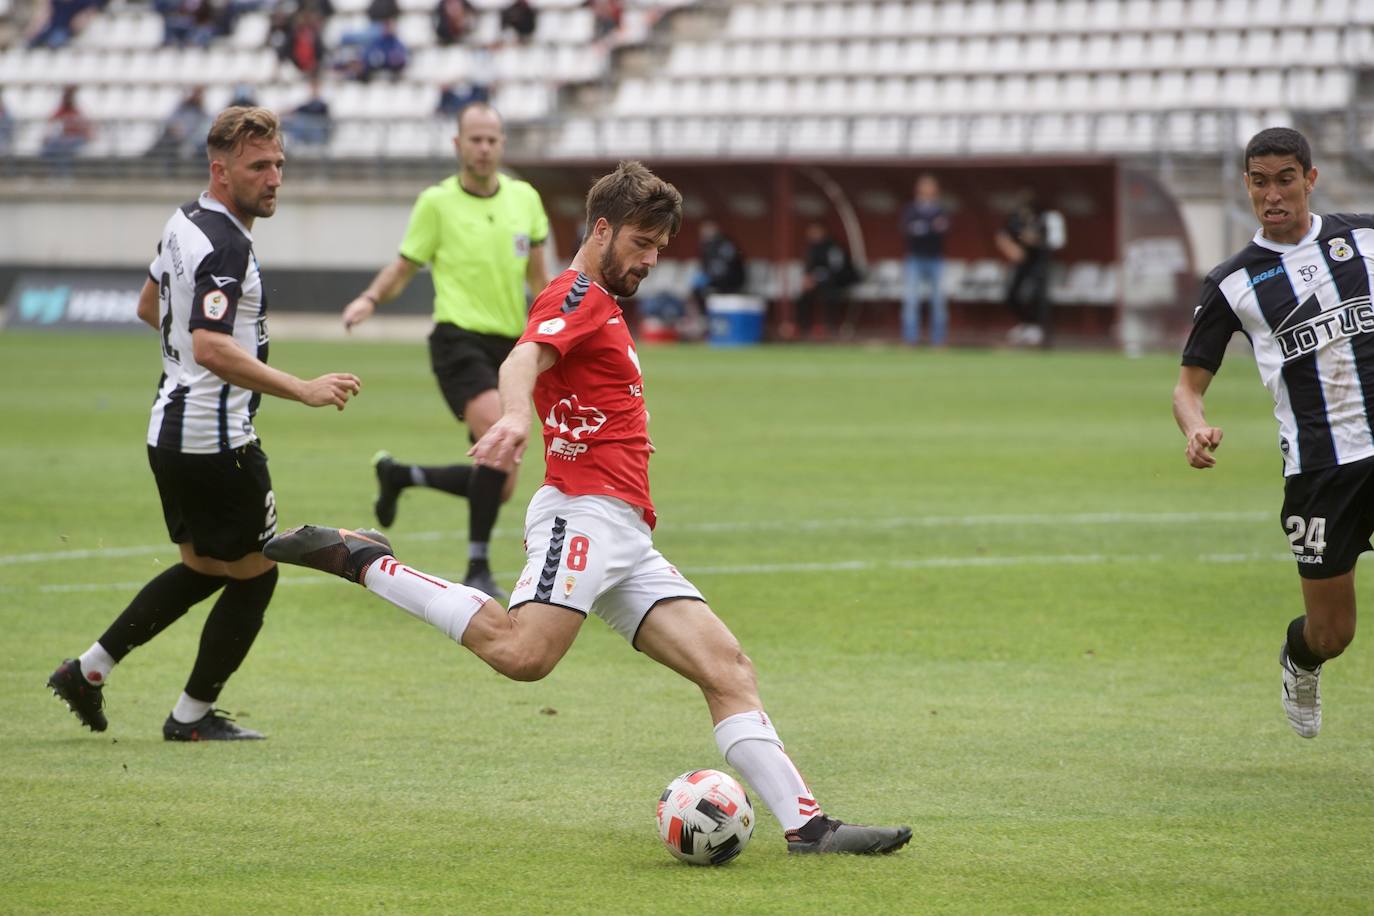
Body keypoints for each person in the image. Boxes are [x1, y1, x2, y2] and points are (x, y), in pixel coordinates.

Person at [264, 161, 912, 855]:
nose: (651, 259)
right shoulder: (578, 294)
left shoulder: (596, 298)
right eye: (641, 242)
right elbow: (521, 361)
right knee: (522, 655)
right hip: (582, 513)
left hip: (625, 531)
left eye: (660, 247)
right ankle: (366, 559)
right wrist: (515, 418)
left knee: (728, 668)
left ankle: (808, 828)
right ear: (601, 229)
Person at [46, 107, 362, 741]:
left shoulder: (181, 222)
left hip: (169, 430)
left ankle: (89, 670)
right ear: (221, 171)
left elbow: (148, 306)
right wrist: (300, 388)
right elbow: (213, 346)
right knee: (256, 577)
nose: (274, 178)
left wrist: (188, 364)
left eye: (278, 165)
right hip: (218, 445)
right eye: (258, 167)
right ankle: (190, 717)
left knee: (203, 568)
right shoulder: (226, 244)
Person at [1173, 126, 1374, 740]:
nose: (1273, 194)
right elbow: (1188, 387)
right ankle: (1301, 660)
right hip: (1319, 468)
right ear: (1247, 187)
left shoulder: (1364, 237)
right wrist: (1197, 426)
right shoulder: (1233, 283)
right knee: (1332, 633)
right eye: (1260, 182)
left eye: (1286, 179)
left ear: (1310, 179)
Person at [339, 102, 549, 599]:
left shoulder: (526, 199)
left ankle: (400, 476)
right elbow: (404, 267)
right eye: (474, 139)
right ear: (458, 145)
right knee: (502, 434)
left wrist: (551, 338)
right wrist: (370, 297)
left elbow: (541, 280)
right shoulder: (436, 202)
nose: (484, 148)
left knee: (499, 483)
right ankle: (477, 566)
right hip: (457, 340)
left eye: (492, 139)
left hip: (510, 344)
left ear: (502, 144)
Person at [995, 192, 1053, 347]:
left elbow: (1042, 239)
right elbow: (1002, 235)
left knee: (1036, 294)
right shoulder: (1015, 218)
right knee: (1011, 294)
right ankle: (1025, 324)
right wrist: (1011, 247)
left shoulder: (1041, 218)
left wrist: (1030, 239)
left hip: (1038, 262)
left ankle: (1037, 330)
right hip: (1022, 262)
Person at [899, 173, 951, 347]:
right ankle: (910, 340)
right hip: (915, 258)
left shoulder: (940, 209)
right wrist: (929, 228)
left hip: (935, 259)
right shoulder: (911, 209)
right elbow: (907, 230)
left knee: (938, 302)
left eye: (931, 186)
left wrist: (923, 228)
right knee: (911, 301)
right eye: (925, 186)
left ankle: (938, 340)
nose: (928, 190)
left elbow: (943, 229)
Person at [795, 222, 856, 340]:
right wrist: (808, 278)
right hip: (819, 282)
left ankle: (830, 327)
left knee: (830, 295)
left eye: (815, 231)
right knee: (803, 296)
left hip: (838, 281)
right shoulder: (812, 248)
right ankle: (803, 328)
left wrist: (816, 278)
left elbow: (837, 269)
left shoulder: (834, 247)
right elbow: (810, 268)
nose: (812, 234)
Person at [145, 86, 211, 162]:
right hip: (175, 137)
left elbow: (201, 129)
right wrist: (175, 128)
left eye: (198, 94)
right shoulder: (182, 107)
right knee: (166, 140)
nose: (196, 96)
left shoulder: (202, 113)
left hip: (190, 140)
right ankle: (150, 157)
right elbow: (169, 120)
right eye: (195, 93)